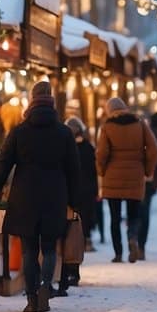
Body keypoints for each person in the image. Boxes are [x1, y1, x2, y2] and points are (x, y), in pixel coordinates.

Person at [0, 82, 81, 312]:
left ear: (32, 99)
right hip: (54, 196)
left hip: (25, 196)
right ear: (51, 99)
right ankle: (45, 285)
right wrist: (74, 200)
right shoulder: (64, 133)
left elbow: (4, 161)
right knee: (50, 247)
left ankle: (31, 298)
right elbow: (74, 169)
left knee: (29, 249)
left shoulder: (20, 131)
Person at [96, 97, 157, 262]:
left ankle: (118, 253)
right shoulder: (139, 124)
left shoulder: (107, 126)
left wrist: (101, 171)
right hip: (135, 175)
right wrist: (147, 170)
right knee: (134, 215)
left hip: (112, 177)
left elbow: (102, 153)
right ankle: (132, 238)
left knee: (114, 217)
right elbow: (154, 149)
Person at [61, 117, 99, 293]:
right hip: (85, 194)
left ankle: (66, 272)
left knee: (65, 234)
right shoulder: (88, 148)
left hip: (67, 194)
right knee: (77, 233)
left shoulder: (65, 147)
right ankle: (74, 272)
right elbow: (94, 171)